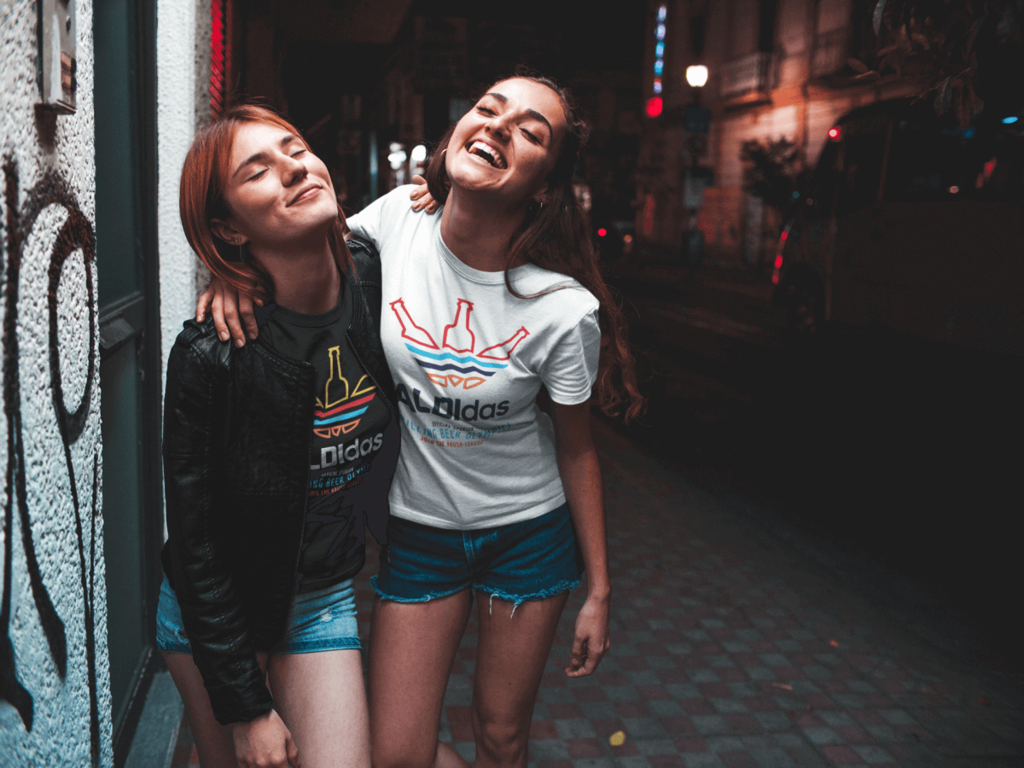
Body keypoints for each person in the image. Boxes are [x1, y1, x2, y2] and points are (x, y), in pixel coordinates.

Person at [199, 73, 644, 768]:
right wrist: (232, 273)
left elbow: (578, 450)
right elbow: (292, 247)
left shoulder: (562, 310)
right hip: (421, 531)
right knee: (396, 754)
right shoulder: (394, 221)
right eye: (489, 109)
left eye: (531, 131)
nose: (499, 126)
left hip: (527, 534)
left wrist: (601, 590)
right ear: (460, 128)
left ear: (545, 187)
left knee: (500, 736)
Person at [160, 104, 400, 768]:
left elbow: (449, 217)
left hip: (320, 594)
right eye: (258, 169)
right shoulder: (212, 354)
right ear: (226, 229)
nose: (293, 166)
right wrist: (246, 709)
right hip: (222, 615)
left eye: (294, 147)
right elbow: (197, 548)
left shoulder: (374, 277)